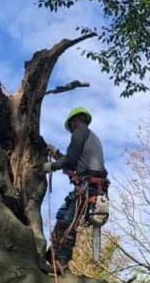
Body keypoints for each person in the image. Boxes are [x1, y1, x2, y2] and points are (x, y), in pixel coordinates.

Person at [42, 107, 107, 273]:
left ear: (75, 121)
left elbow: (70, 160)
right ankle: (52, 255)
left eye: (71, 126)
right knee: (62, 217)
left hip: (88, 189)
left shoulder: (80, 132)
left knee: (68, 222)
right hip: (91, 188)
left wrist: (52, 166)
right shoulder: (91, 137)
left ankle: (62, 262)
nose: (71, 129)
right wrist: (55, 153)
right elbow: (73, 164)